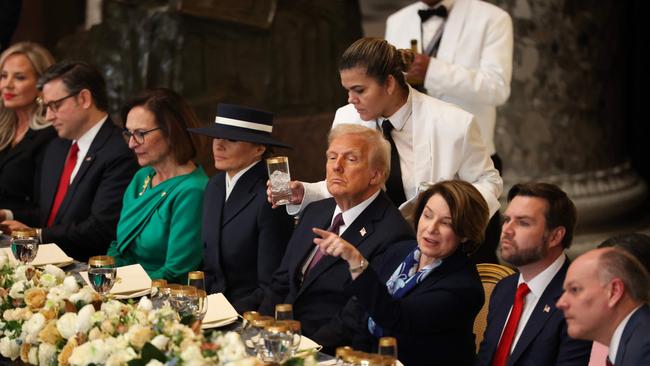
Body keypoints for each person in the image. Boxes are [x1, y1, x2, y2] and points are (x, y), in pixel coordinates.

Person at [282, 37, 502, 230]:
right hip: (364, 242)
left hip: (433, 245)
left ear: (388, 83)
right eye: (347, 90)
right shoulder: (346, 117)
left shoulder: (455, 123)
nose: (351, 99)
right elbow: (347, 182)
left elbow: (488, 182)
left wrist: (452, 218)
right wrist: (306, 192)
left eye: (359, 90)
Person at [254, 124, 415, 338]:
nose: (336, 167)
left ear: (375, 176)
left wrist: (306, 351)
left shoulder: (393, 234)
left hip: (327, 350)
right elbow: (281, 282)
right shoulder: (315, 211)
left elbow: (356, 316)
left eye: (351, 159)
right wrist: (258, 331)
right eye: (332, 157)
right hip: (281, 340)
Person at [386, 0, 513, 263]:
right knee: (411, 255)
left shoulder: (493, 18)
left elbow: (497, 87)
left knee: (477, 258)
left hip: (468, 161)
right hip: (407, 160)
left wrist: (433, 71)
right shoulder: (396, 21)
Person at [312, 180, 488, 366]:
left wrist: (356, 260)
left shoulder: (463, 287)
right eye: (427, 215)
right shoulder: (400, 251)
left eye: (446, 223)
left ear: (466, 233)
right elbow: (355, 313)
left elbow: (397, 318)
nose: (431, 228)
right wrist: (311, 352)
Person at [0, 60, 138, 261]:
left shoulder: (120, 151)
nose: (48, 117)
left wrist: (37, 235)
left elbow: (100, 228)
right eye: (45, 107)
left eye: (55, 106)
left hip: (89, 271)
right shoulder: (57, 146)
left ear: (84, 98)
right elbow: (49, 215)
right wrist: (8, 216)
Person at [188, 103, 294, 311]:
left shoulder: (276, 190)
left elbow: (272, 284)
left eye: (232, 139)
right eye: (216, 137)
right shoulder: (215, 185)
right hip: (210, 305)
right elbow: (211, 266)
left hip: (248, 312)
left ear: (259, 148)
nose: (218, 146)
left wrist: (223, 314)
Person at [475, 182, 592, 366]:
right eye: (507, 219)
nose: (507, 230)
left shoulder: (578, 302)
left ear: (555, 236)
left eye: (523, 222)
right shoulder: (504, 289)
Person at [105, 88, 208, 283]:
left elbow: (176, 273)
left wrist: (121, 285)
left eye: (141, 134)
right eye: (128, 134)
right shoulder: (142, 177)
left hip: (161, 300)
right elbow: (119, 246)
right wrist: (104, 276)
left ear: (172, 131)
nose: (131, 144)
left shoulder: (193, 191)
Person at [556, 247, 650, 366]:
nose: (561, 303)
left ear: (614, 291)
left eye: (574, 289)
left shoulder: (645, 350)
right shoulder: (634, 341)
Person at [0, 42, 56, 216]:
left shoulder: (51, 135)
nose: (7, 85)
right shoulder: (4, 129)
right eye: (3, 76)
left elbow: (46, 210)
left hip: (23, 237)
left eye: (19, 77)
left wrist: (6, 215)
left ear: (42, 86)